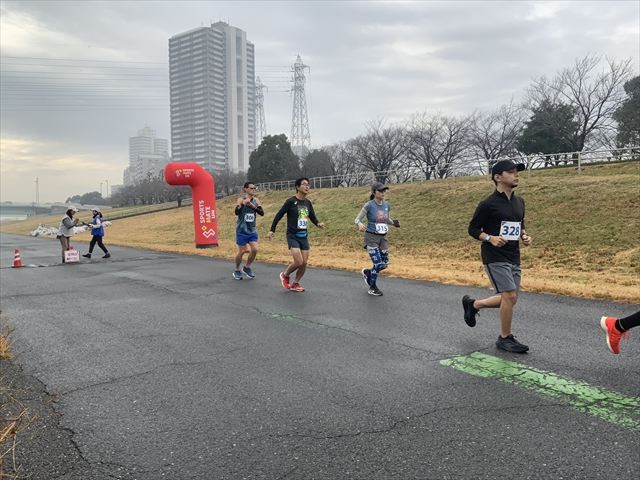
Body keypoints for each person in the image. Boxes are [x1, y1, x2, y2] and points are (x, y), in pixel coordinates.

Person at [462, 159, 532, 353]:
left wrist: (524, 236)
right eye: (511, 172)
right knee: (509, 295)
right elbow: (473, 229)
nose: (516, 175)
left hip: (513, 255)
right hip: (494, 255)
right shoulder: (488, 204)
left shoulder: (519, 202)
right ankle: (505, 338)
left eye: (517, 172)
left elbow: (520, 224)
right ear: (498, 177)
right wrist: (490, 238)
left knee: (510, 298)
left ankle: (473, 305)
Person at [268, 177, 325, 292]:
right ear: (297, 187)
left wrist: (318, 223)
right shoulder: (290, 201)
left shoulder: (308, 203)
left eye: (308, 184)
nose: (307, 186)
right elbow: (279, 215)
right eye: (304, 184)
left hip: (303, 236)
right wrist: (272, 229)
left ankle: (296, 283)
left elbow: (312, 217)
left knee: (304, 263)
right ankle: (285, 275)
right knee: (298, 261)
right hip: (292, 235)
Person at [355, 182, 400, 296]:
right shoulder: (369, 205)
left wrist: (394, 223)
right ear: (374, 192)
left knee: (384, 264)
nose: (383, 193)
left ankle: (368, 273)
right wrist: (359, 224)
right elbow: (357, 219)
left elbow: (386, 219)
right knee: (378, 263)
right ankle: (372, 287)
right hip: (371, 237)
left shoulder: (387, 205)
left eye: (384, 190)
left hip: (383, 238)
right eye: (380, 191)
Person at [233, 182, 264, 280]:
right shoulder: (240, 199)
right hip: (242, 230)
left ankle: (247, 267)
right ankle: (237, 270)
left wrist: (252, 205)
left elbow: (261, 213)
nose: (253, 190)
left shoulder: (256, 200)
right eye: (251, 188)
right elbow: (236, 212)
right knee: (242, 251)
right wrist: (242, 204)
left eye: (255, 188)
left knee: (255, 249)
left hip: (252, 230)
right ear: (245, 189)